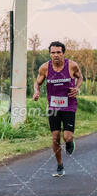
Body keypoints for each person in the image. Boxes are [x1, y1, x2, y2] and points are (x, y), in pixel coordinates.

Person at [33, 41, 83, 177]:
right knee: (55, 137)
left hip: (69, 105)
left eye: (58, 52)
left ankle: (69, 142)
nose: (55, 55)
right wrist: (36, 92)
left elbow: (80, 77)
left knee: (67, 136)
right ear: (50, 54)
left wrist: (77, 88)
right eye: (53, 52)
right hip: (53, 106)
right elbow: (37, 83)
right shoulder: (44, 68)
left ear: (63, 53)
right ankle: (60, 165)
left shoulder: (72, 66)